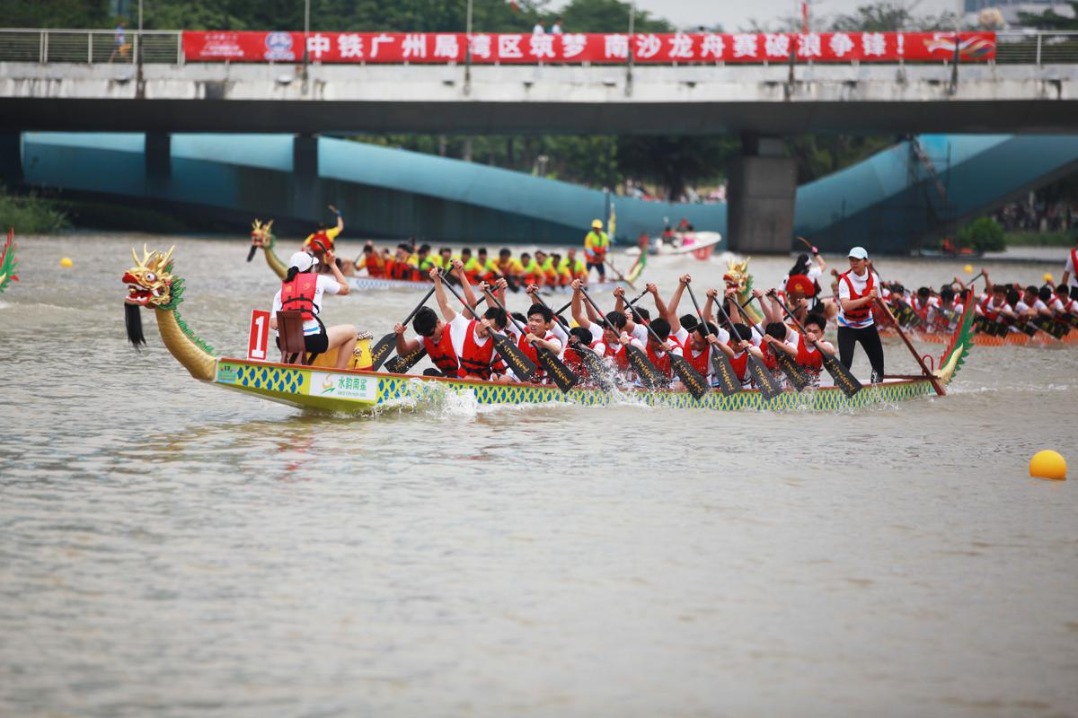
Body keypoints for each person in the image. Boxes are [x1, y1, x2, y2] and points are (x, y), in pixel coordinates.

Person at [270, 250, 357, 369]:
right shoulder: (320, 280)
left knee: (293, 340)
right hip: (313, 340)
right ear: (311, 268)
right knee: (352, 332)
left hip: (283, 342)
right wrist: (332, 264)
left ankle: (291, 372)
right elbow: (346, 289)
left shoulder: (281, 291)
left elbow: (274, 324)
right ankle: (339, 373)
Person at [836, 246, 884, 383]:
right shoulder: (844, 280)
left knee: (878, 363)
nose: (854, 263)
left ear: (866, 262)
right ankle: (837, 390)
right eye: (851, 259)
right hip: (846, 326)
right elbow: (845, 305)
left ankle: (877, 389)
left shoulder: (874, 278)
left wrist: (892, 319)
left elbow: (879, 300)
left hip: (866, 325)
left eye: (857, 260)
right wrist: (867, 298)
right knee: (845, 363)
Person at [304, 205, 346, 273]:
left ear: (317, 229)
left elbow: (304, 246)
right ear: (325, 229)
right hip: (328, 261)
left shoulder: (312, 236)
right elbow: (340, 228)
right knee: (343, 262)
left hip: (316, 262)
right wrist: (339, 215)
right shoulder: (329, 233)